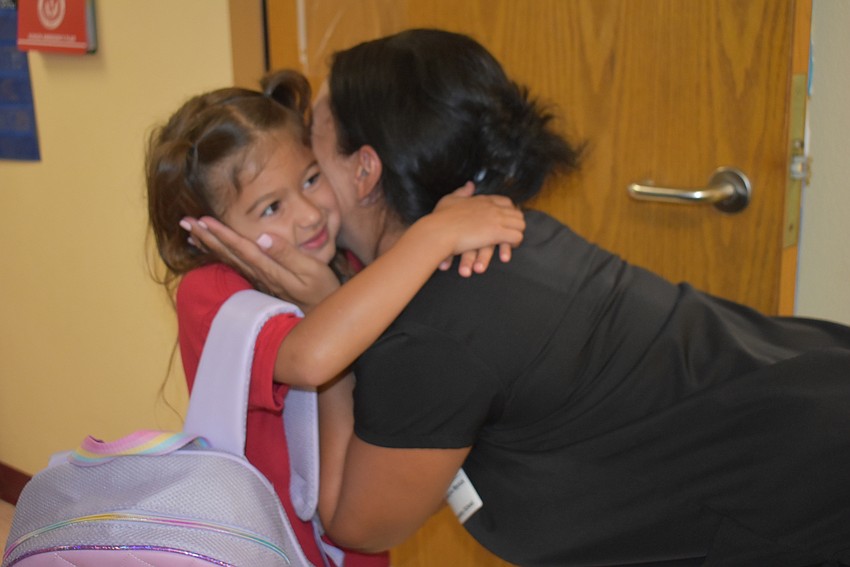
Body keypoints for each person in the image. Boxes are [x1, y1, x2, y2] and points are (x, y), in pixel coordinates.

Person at [187, 30, 850, 567]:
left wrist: (331, 324)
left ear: (364, 170)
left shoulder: (432, 328)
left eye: (313, 152)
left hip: (804, 493)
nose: (304, 194)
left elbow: (356, 521)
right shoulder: (498, 229)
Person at [145, 68, 525, 567]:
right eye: (270, 208)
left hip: (352, 546)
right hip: (265, 550)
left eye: (310, 178)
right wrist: (434, 236)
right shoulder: (211, 291)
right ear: (209, 235)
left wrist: (459, 238)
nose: (308, 214)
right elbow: (310, 358)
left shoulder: (344, 261)